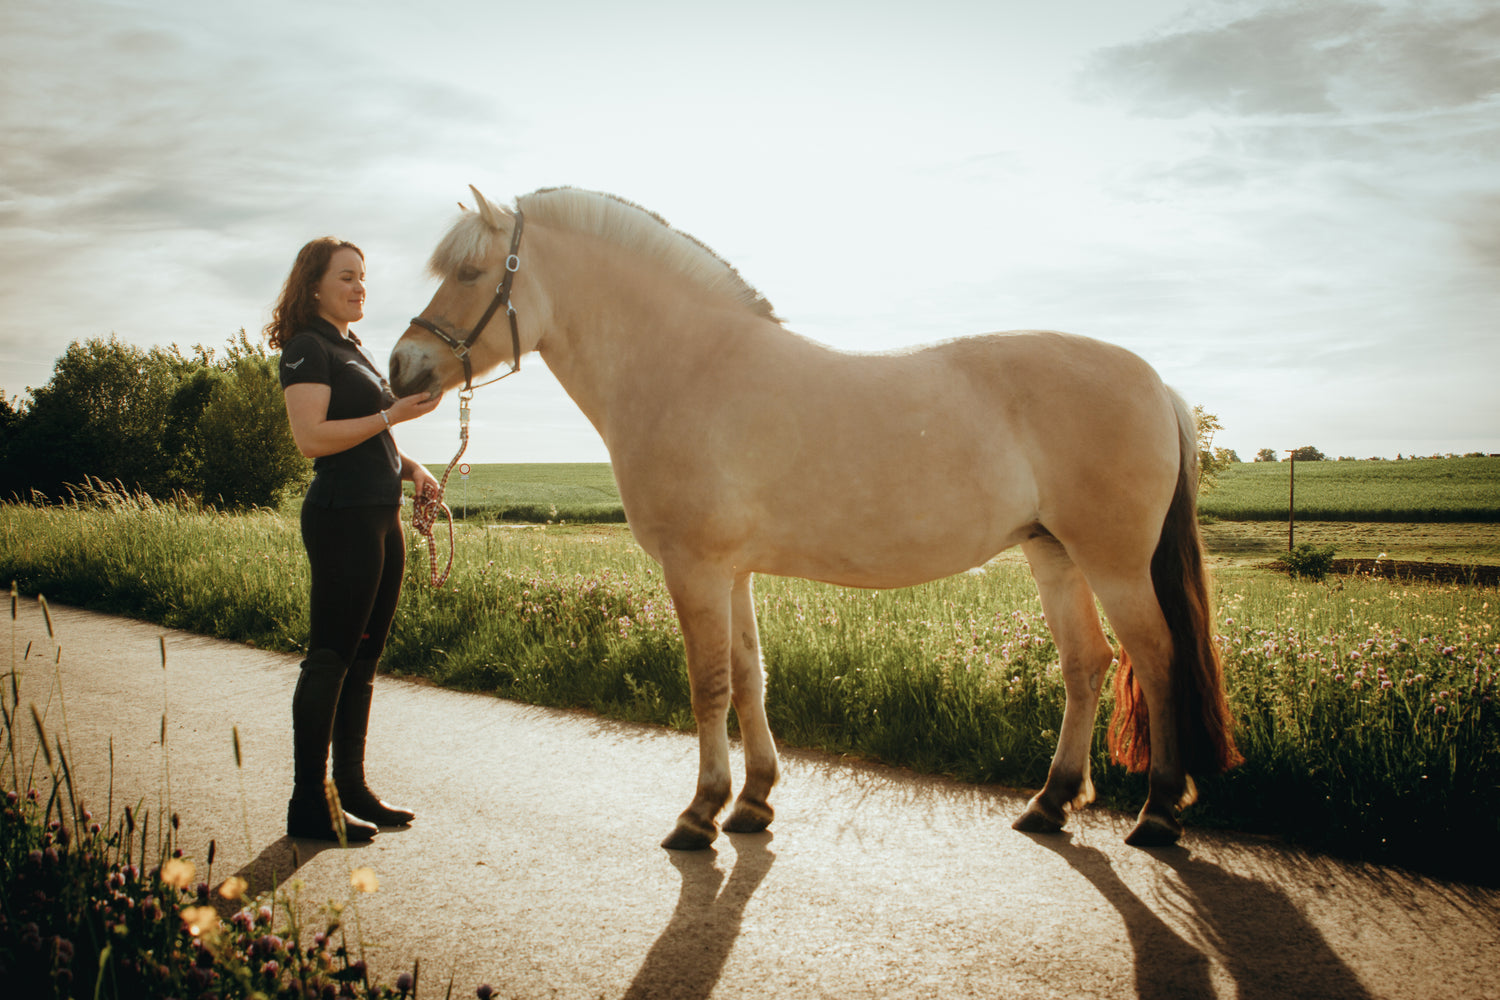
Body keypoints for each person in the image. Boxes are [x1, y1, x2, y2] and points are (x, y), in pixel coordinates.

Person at [265, 237, 443, 842]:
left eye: (363, 277)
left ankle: (353, 786)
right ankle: (309, 803)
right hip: (341, 517)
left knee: (363, 660)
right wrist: (393, 416)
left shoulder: (351, 349)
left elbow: (370, 437)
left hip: (380, 515)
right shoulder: (306, 348)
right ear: (314, 285)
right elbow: (313, 437)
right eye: (346, 276)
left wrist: (410, 468)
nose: (359, 286)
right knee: (330, 658)